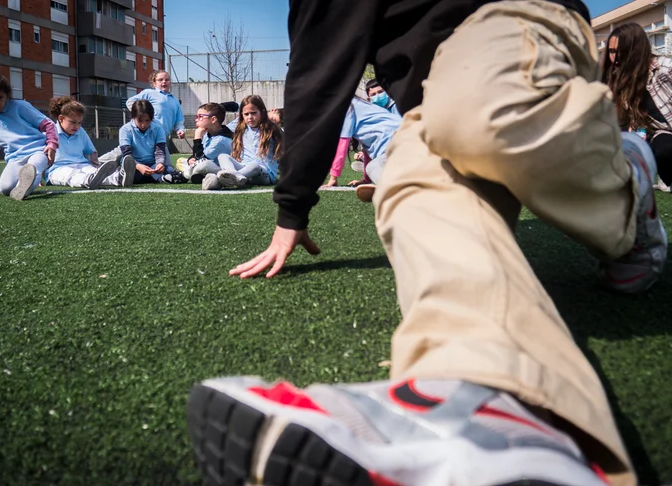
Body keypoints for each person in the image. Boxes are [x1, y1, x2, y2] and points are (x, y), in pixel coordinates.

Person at [187, 1, 668, 485]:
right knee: (406, 179)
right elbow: (322, 58)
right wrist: (292, 208)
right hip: (432, 104)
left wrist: (293, 202)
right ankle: (493, 404)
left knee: (475, 101)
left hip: (523, 17)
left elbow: (320, 73)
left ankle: (625, 184)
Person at [602, 22, 672, 194]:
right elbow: (633, 124)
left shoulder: (665, 68)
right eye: (612, 51)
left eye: (621, 50)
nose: (615, 57)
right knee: (663, 148)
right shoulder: (621, 82)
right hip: (661, 134)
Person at [0, 73, 57, 200]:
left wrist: (52, 145)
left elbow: (48, 124)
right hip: (15, 159)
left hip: (38, 151)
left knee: (34, 167)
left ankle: (29, 182)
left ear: (7, 96)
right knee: (6, 188)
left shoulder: (20, 106)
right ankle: (25, 183)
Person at [99, 70, 185, 176]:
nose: (164, 82)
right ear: (154, 83)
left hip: (158, 139)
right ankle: (97, 163)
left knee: (166, 167)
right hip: (139, 134)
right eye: (160, 80)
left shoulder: (175, 101)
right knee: (121, 153)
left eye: (167, 79)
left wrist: (180, 130)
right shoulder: (148, 93)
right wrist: (140, 116)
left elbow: (179, 120)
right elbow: (130, 102)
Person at [322, 97, 401, 199]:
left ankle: (392, 188)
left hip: (398, 144)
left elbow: (342, 146)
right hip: (411, 140)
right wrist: (366, 180)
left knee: (373, 167)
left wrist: (333, 177)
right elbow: (367, 151)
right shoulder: (362, 106)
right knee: (376, 165)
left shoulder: (347, 108)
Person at [45, 96, 131, 189]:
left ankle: (118, 178)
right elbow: (39, 155)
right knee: (70, 174)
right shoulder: (50, 132)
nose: (76, 126)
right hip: (57, 169)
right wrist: (36, 178)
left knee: (91, 171)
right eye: (73, 122)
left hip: (82, 164)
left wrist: (96, 167)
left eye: (79, 122)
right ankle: (88, 180)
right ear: (61, 119)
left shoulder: (80, 131)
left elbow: (91, 152)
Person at [202, 95, 283, 190]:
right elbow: (219, 129)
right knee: (223, 156)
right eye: (246, 114)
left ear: (262, 112)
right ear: (242, 115)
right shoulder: (240, 128)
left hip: (263, 173)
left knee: (255, 165)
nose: (250, 117)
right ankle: (233, 176)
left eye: (254, 113)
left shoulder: (272, 129)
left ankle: (220, 181)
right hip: (244, 169)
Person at [119, 99, 178, 184]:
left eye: (147, 121)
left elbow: (160, 151)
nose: (144, 125)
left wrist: (160, 164)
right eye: (140, 121)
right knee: (134, 176)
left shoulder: (158, 129)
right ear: (133, 117)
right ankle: (159, 178)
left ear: (152, 118)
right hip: (133, 166)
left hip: (152, 165)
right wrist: (138, 166)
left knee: (170, 171)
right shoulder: (125, 130)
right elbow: (127, 154)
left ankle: (158, 176)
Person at [176, 102, 233, 184]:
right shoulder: (207, 134)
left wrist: (197, 138)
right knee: (181, 161)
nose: (196, 119)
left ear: (213, 119)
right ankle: (199, 175)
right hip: (203, 163)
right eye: (197, 117)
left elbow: (201, 159)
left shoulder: (220, 140)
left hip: (219, 168)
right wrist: (190, 160)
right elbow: (197, 155)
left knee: (203, 165)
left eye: (200, 117)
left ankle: (185, 175)